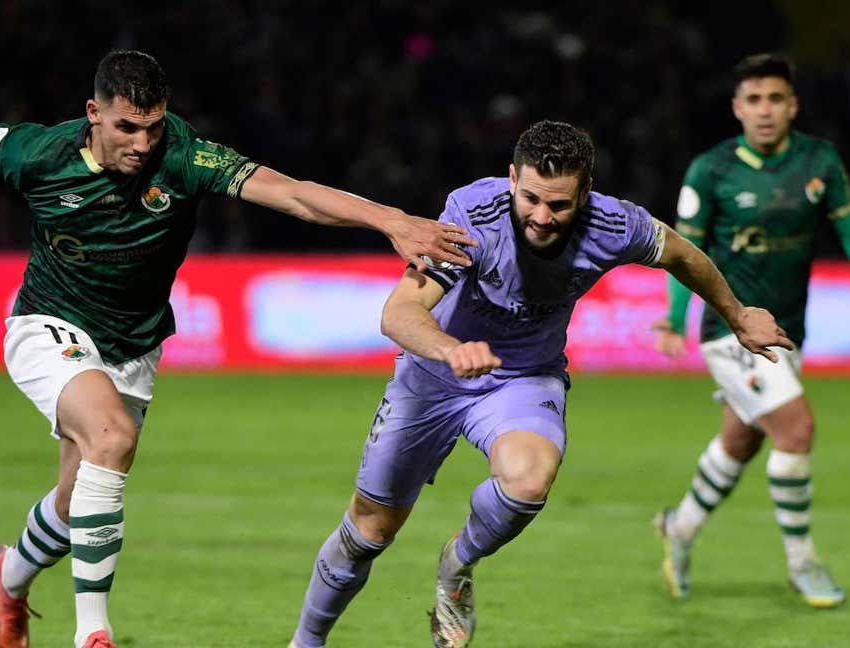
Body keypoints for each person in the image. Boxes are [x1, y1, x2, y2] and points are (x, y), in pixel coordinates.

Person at [0, 50, 477, 648]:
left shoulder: (184, 156)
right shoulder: (38, 152)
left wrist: (389, 218)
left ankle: (6, 574)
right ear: (94, 115)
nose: (142, 145)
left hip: (132, 347)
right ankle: (93, 633)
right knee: (111, 439)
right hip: (47, 325)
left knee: (73, 502)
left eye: (152, 128)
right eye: (125, 128)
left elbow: (290, 192)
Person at [286, 120, 792, 648]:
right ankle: (307, 642)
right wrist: (449, 349)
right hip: (433, 375)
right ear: (511, 178)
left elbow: (684, 255)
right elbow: (400, 313)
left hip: (523, 378)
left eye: (559, 205)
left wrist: (737, 315)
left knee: (528, 482)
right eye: (530, 198)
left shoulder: (615, 225)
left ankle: (457, 565)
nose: (542, 217)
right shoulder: (472, 216)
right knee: (370, 531)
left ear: (586, 194)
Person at [650, 53, 850, 609]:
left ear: (792, 106)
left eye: (775, 99)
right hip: (731, 330)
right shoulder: (711, 170)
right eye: (753, 100)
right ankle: (803, 564)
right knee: (795, 430)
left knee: (740, 442)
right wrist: (673, 318)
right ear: (737, 108)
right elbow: (681, 253)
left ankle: (680, 528)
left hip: (790, 332)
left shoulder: (819, 161)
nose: (764, 111)